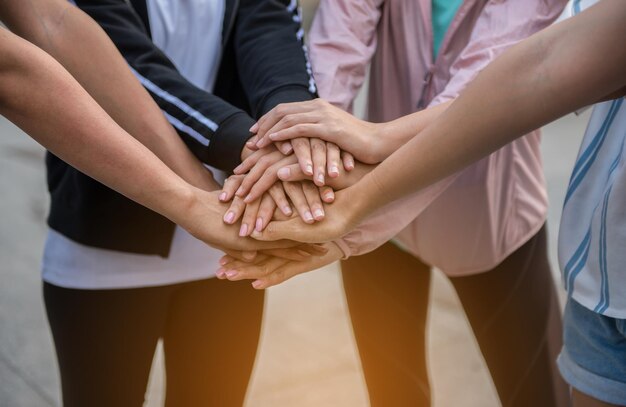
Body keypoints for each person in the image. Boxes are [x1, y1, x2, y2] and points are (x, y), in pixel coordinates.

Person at [227, 0, 626, 405]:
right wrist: (310, 156)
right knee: (392, 394)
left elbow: (490, 89)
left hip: (488, 214)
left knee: (534, 394)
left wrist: (359, 178)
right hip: (364, 205)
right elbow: (337, 46)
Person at [9, 0, 326, 405]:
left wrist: (291, 126)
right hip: (108, 243)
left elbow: (270, 23)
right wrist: (250, 144)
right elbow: (114, 67)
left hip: (237, 241)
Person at [0, 1, 296, 257]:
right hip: (109, 240)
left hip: (228, 216)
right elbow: (15, 68)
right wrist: (198, 195)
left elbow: (52, 25)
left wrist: (292, 134)